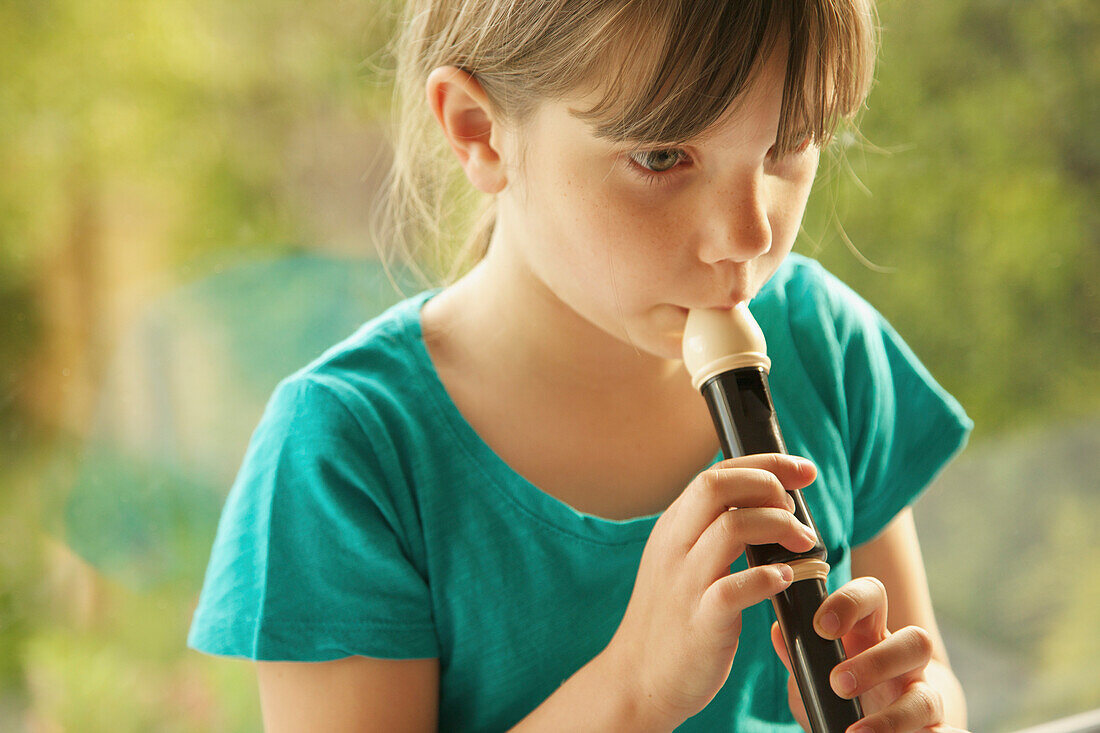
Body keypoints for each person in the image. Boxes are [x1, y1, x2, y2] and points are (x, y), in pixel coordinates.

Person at [187, 1, 974, 731]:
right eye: (664, 155)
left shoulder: (824, 341)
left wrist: (914, 704)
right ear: (479, 131)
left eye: (789, 144)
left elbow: (927, 668)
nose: (746, 235)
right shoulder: (348, 451)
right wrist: (633, 687)